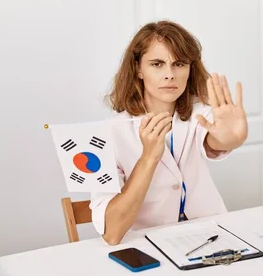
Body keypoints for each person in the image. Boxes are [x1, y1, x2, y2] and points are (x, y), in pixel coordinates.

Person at [90, 20, 248, 245]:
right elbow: (112, 232)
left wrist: (233, 137)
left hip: (212, 237)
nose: (170, 74)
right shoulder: (104, 136)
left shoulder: (200, 113)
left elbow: (217, 139)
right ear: (138, 69)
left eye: (179, 64)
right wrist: (148, 157)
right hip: (147, 246)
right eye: (157, 64)